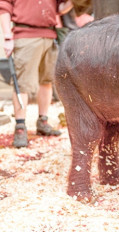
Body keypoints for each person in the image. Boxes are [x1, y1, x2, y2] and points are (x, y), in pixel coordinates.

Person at [0, 0, 70, 148]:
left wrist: (75, 2)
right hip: (25, 36)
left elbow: (60, 9)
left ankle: (43, 121)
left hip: (50, 35)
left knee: (47, 81)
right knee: (23, 84)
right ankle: (20, 127)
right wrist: (7, 36)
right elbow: (4, 6)